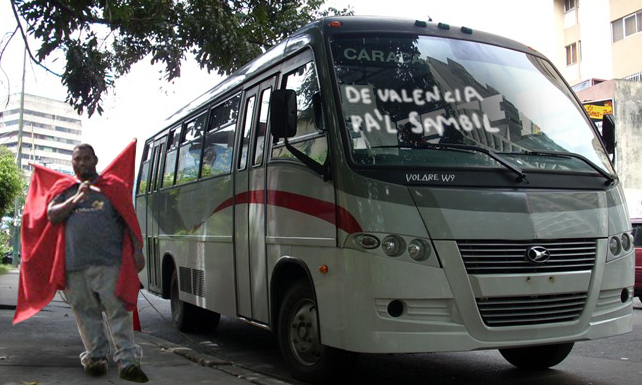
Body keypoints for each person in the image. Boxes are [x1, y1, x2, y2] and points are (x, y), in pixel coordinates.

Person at [46, 144, 148, 383]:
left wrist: (138, 250)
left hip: (110, 263)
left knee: (117, 311)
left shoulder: (113, 187)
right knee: (85, 313)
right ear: (72, 163)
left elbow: (129, 219)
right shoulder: (66, 189)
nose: (81, 163)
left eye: (86, 158)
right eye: (77, 159)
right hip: (75, 266)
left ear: (95, 160)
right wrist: (76, 199)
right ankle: (96, 358)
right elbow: (52, 215)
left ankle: (128, 363)